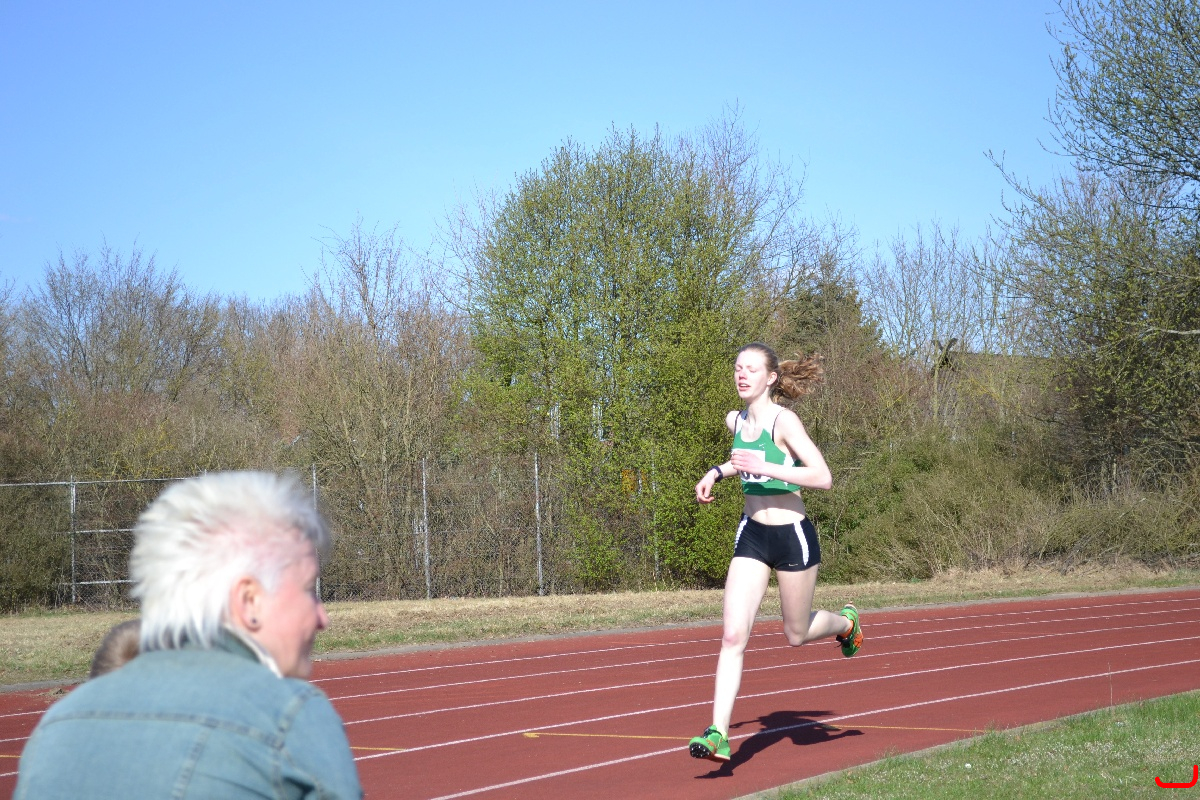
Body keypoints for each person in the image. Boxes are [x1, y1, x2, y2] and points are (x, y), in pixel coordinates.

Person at [16, 471, 363, 799]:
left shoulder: (56, 727)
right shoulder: (290, 716)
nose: (322, 617)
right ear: (249, 601)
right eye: (308, 590)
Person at [688, 343, 863, 763]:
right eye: (737, 367)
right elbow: (741, 460)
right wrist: (716, 472)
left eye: (751, 369)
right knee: (733, 635)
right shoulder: (735, 420)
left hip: (792, 536)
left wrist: (766, 467)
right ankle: (718, 733)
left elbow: (822, 476)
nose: (741, 374)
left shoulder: (785, 422)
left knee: (795, 634)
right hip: (752, 535)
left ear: (770, 378)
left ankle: (846, 623)